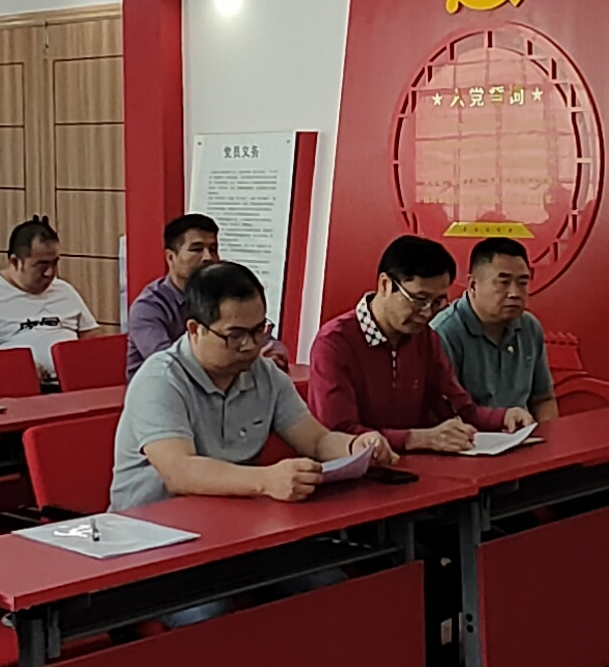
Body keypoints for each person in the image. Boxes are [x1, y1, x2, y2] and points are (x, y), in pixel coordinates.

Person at [112, 260, 383, 511]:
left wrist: (355, 447)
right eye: (235, 335)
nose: (250, 346)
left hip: (230, 520)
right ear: (195, 330)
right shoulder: (160, 380)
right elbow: (180, 472)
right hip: (150, 530)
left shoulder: (264, 374)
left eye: (258, 331)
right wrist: (266, 480)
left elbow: (316, 441)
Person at [303, 235, 527, 456]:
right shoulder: (335, 343)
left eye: (437, 302)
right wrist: (416, 438)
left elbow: (459, 407)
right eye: (420, 300)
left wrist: (503, 417)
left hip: (414, 465)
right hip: (358, 469)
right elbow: (338, 434)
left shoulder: (426, 338)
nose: (427, 313)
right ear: (385, 284)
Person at [0, 215, 98, 383]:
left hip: (71, 382)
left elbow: (92, 337)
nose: (50, 272)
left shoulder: (65, 291)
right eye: (41, 265)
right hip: (13, 386)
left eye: (54, 263)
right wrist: (17, 366)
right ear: (15, 262)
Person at [430, 236, 559, 424]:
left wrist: (547, 435)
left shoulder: (530, 327)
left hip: (524, 434)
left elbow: (543, 399)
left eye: (522, 283)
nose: (515, 293)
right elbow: (444, 414)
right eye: (503, 282)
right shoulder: (443, 333)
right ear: (473, 285)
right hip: (472, 437)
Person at [122, 214, 220, 371]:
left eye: (213, 250)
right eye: (197, 249)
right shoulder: (148, 308)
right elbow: (168, 364)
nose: (208, 258)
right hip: (163, 384)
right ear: (170, 257)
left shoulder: (221, 296)